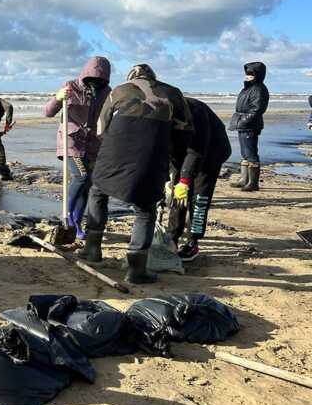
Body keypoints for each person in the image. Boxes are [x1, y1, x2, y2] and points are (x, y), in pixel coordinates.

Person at [79, 64, 193, 284]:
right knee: (145, 209)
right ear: (154, 77)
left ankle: (92, 250)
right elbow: (185, 131)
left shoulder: (119, 91)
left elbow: (101, 129)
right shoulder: (173, 93)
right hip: (150, 156)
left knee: (98, 192)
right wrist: (172, 159)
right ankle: (136, 269)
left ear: (131, 77)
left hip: (113, 154)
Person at [44, 56, 111, 239]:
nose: (96, 83)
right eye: (92, 79)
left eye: (100, 80)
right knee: (80, 176)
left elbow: (107, 118)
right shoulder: (70, 86)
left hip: (92, 144)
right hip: (70, 142)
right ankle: (66, 214)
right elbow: (48, 112)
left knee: (87, 183)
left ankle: (76, 222)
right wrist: (58, 98)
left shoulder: (107, 92)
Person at [167, 97, 231, 262]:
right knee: (177, 197)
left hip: (211, 152)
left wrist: (185, 180)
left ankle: (193, 241)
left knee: (199, 198)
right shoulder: (159, 115)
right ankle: (172, 237)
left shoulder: (196, 112)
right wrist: (167, 178)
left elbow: (197, 151)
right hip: (183, 153)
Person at [229, 62, 269, 192]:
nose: (248, 76)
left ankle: (253, 183)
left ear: (257, 75)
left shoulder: (259, 89)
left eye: (251, 74)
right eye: (247, 74)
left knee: (251, 153)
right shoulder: (248, 88)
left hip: (250, 125)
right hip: (242, 123)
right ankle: (243, 179)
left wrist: (245, 120)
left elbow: (257, 109)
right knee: (244, 153)